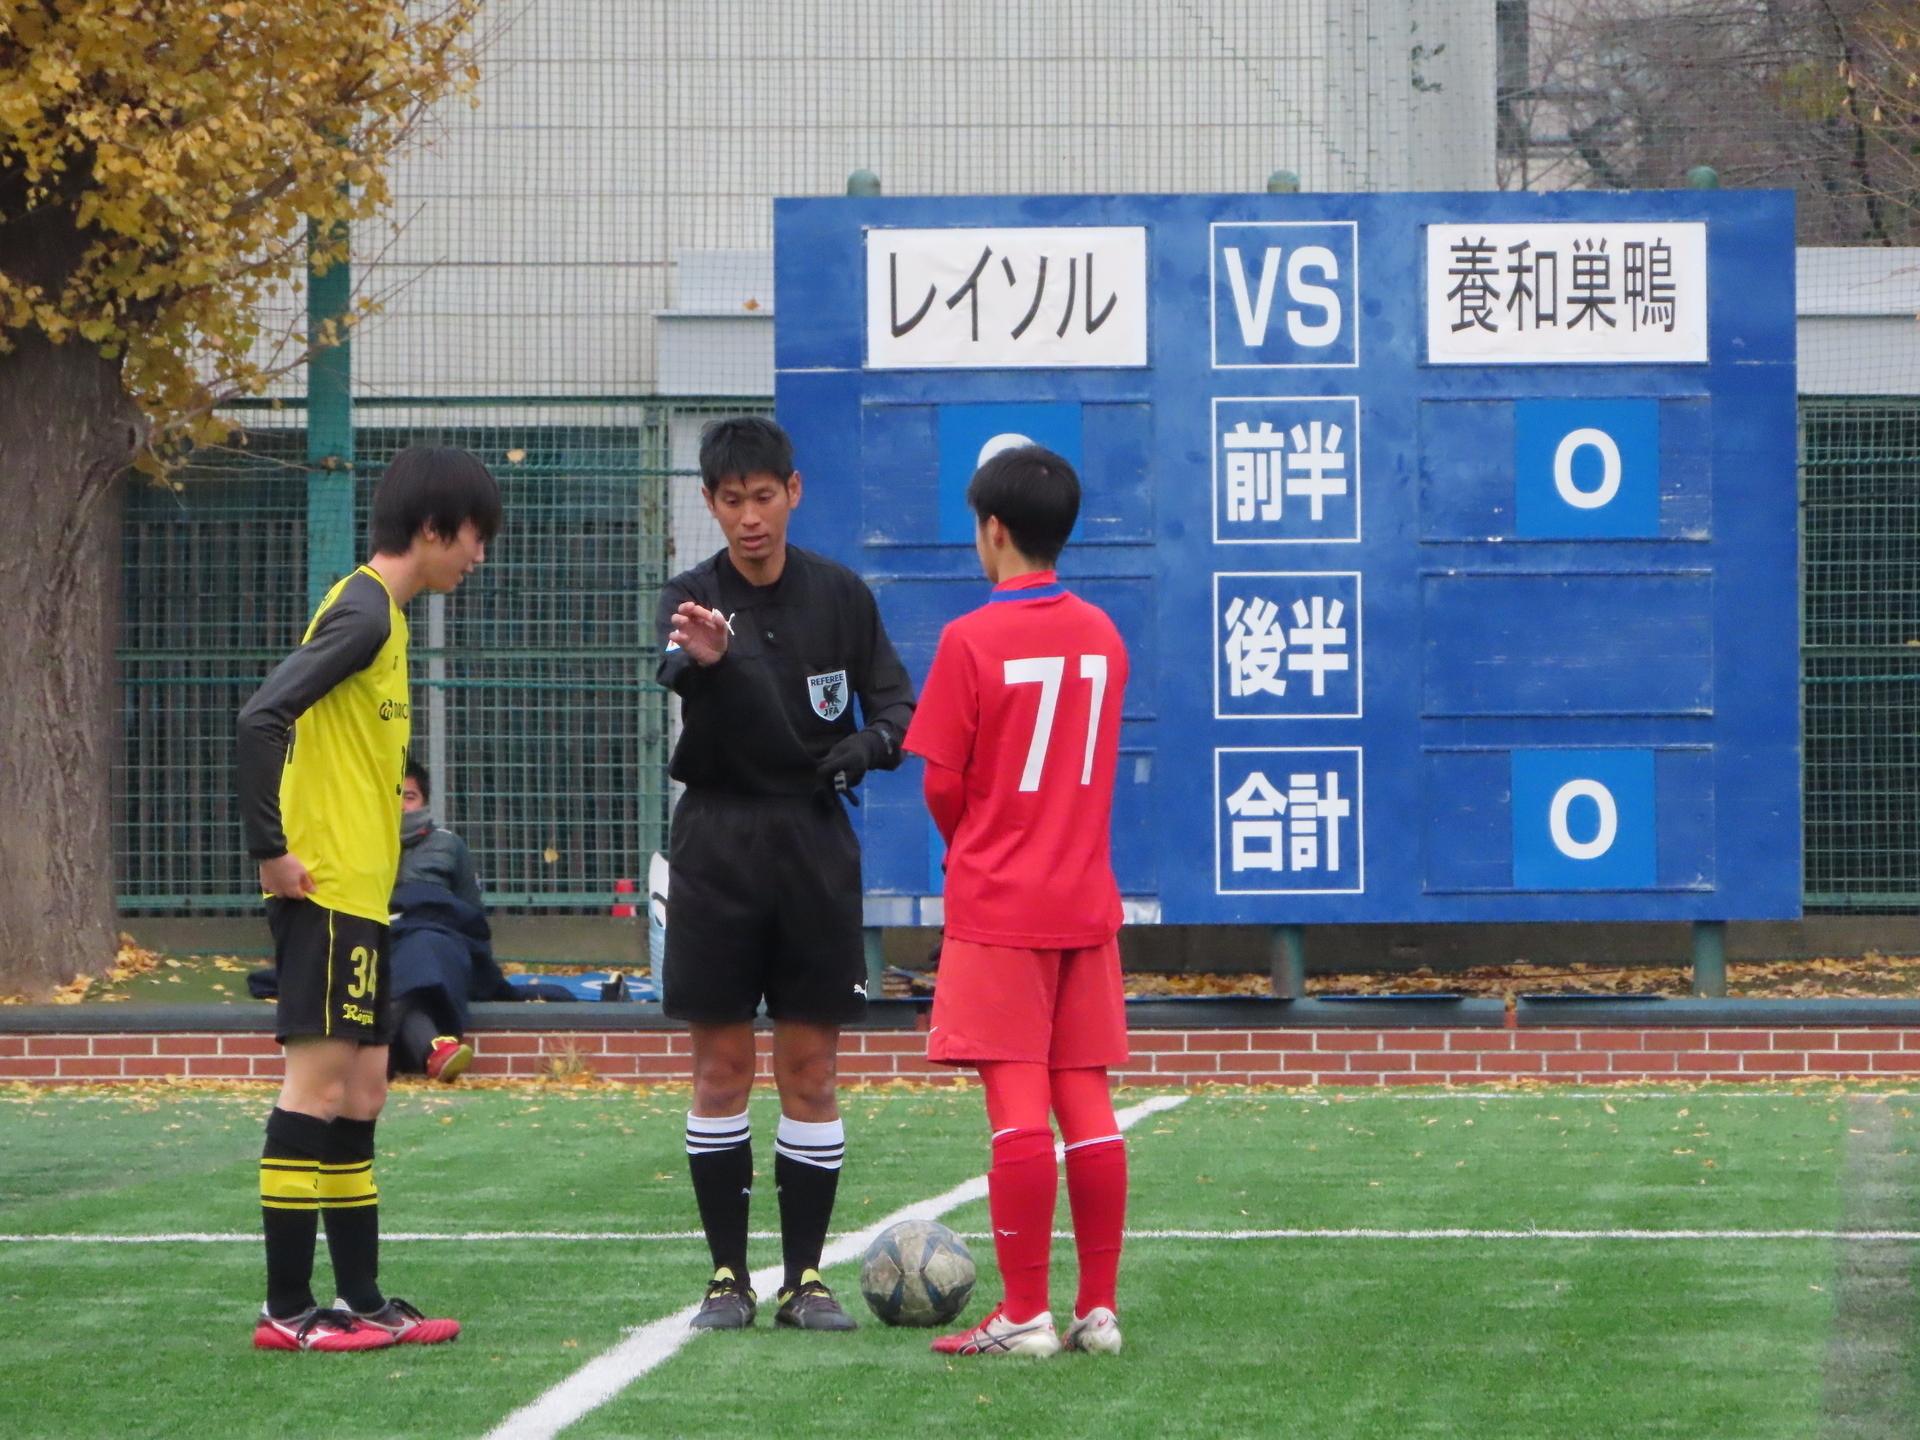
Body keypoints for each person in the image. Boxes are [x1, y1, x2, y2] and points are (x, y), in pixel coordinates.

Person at [235, 446, 501, 1352]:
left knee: (365, 1089)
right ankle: (285, 1309)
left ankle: (359, 1299)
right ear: (433, 530)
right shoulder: (363, 613)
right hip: (326, 893)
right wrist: (271, 851)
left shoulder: (382, 615)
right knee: (315, 1087)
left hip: (361, 898)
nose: (478, 556)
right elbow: (261, 715)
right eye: (475, 538)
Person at [656, 415, 915, 1332]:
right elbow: (675, 664)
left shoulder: (841, 595)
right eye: (732, 501)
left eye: (765, 497)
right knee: (721, 1068)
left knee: (810, 1068)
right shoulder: (693, 598)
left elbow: (896, 705)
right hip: (719, 845)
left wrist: (869, 745)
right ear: (710, 504)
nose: (751, 517)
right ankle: (727, 1277)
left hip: (812, 846)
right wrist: (707, 658)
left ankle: (806, 1279)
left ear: (793, 493)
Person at [903, 444, 1132, 1359]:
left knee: (1016, 1112)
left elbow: (941, 787)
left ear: (993, 531)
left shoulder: (969, 639)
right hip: (1085, 899)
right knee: (1088, 1103)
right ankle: (1098, 1309)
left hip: (1000, 902)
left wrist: (977, 845)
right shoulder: (1106, 635)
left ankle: (1025, 1313)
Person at [389, 757, 518, 1083]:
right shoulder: (356, 845)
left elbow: (469, 914)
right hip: (383, 940)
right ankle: (435, 1049)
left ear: (424, 801)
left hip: (440, 943)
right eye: (392, 795)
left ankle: (378, 1048)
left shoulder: (449, 845)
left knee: (422, 948)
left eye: (410, 796)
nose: (401, 805)